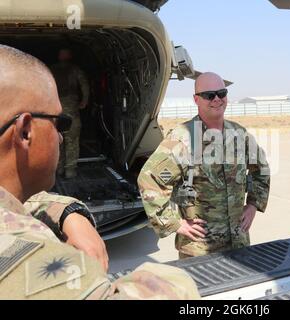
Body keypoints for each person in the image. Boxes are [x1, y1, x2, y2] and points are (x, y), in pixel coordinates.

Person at [0, 45, 199, 300]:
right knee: (73, 144)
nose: (59, 136)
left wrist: (68, 213)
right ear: (25, 132)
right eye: (58, 123)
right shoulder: (40, 270)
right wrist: (175, 278)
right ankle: (69, 170)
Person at [138, 72, 271, 259]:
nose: (217, 99)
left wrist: (253, 205)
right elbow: (150, 179)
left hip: (238, 242)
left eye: (221, 93)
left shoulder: (239, 134)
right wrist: (174, 223)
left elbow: (261, 169)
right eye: (209, 95)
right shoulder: (183, 138)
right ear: (196, 99)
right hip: (199, 249)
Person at [50, 48, 89, 179]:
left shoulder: (51, 70)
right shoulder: (75, 69)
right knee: (72, 140)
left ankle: (59, 169)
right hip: (70, 110)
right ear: (70, 56)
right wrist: (84, 100)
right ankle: (70, 170)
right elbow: (84, 85)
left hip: (55, 110)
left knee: (57, 140)